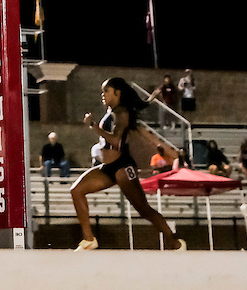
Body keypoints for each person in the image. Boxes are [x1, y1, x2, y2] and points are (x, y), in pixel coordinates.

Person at [69, 77, 185, 251]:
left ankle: (174, 242)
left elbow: (116, 141)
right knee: (76, 190)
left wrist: (93, 125)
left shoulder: (122, 112)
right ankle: (89, 239)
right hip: (108, 167)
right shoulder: (113, 111)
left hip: (122, 166)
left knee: (143, 209)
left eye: (106, 91)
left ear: (117, 92)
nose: (102, 95)